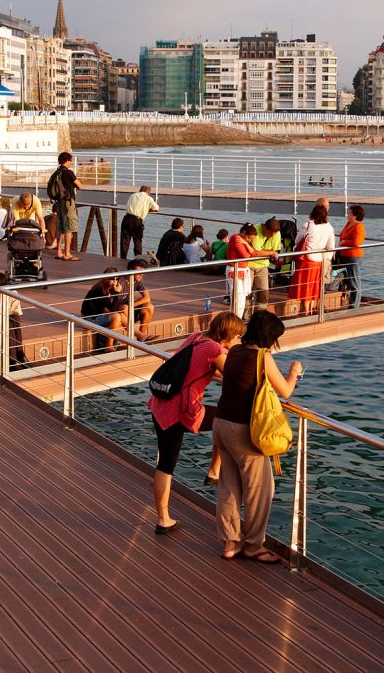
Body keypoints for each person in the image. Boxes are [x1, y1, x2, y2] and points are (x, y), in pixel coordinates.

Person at [213, 310, 304, 563]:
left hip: (221, 423)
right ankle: (253, 546)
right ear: (269, 337)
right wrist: (295, 372)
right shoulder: (262, 357)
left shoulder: (233, 352)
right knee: (260, 489)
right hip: (243, 429)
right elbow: (285, 391)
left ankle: (231, 544)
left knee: (229, 486)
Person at [148, 312, 246, 534]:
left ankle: (163, 518)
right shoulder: (215, 349)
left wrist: (213, 375)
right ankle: (214, 470)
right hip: (180, 411)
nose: (239, 341)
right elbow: (237, 378)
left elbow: (188, 367)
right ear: (228, 335)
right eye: (238, 337)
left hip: (160, 403)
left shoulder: (196, 338)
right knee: (226, 416)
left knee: (165, 464)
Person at [289, 204, 335, 316]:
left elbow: (297, 240)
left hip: (307, 259)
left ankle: (306, 312)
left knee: (306, 287)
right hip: (320, 260)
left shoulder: (308, 225)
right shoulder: (329, 227)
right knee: (315, 287)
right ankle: (311, 310)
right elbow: (331, 246)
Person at [227, 223, 275, 319]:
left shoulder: (243, 241)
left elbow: (253, 252)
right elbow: (247, 256)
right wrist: (248, 247)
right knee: (238, 299)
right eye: (249, 238)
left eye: (251, 240)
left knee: (242, 298)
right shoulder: (235, 238)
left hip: (243, 271)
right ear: (243, 233)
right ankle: (236, 320)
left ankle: (238, 320)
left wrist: (245, 243)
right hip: (235, 271)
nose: (249, 241)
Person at [80, 267, 127, 349]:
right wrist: (117, 293)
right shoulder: (99, 290)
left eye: (117, 279)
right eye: (112, 279)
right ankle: (109, 346)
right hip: (88, 319)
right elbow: (113, 311)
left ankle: (139, 337)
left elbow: (112, 309)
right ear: (106, 279)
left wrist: (116, 293)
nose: (115, 282)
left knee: (121, 315)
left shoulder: (108, 288)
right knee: (116, 316)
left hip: (97, 316)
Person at [47, 151, 80, 260]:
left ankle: (59, 252)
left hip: (59, 202)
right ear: (67, 160)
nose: (71, 162)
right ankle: (67, 254)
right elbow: (80, 185)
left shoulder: (57, 172)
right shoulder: (69, 172)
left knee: (60, 228)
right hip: (68, 202)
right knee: (69, 228)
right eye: (71, 160)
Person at [333, 204, 365, 308]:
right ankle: (346, 299)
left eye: (349, 212)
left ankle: (354, 305)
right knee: (346, 278)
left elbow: (357, 242)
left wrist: (344, 242)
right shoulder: (348, 224)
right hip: (344, 255)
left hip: (353, 256)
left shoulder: (359, 227)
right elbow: (342, 236)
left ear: (355, 215)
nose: (347, 214)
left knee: (354, 280)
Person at [247, 219, 282, 312]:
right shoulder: (255, 231)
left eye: (273, 235)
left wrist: (266, 252)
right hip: (249, 265)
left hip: (263, 265)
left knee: (264, 292)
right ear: (264, 227)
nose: (271, 236)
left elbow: (275, 250)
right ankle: (245, 317)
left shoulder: (277, 234)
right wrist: (270, 252)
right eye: (269, 233)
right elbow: (256, 253)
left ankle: (260, 315)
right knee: (247, 292)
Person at [121, 185, 160, 258]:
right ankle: (138, 259)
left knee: (124, 240)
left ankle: (122, 258)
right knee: (137, 241)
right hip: (137, 221)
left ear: (140, 190)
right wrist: (148, 209)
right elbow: (157, 208)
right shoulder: (148, 198)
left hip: (126, 218)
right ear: (148, 192)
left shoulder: (132, 195)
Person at [127, 258, 155, 341]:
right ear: (130, 271)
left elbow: (147, 298)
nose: (141, 275)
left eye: (142, 272)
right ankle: (141, 336)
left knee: (149, 306)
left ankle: (141, 338)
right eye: (138, 272)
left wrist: (131, 306)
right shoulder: (121, 281)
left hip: (127, 308)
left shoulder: (138, 281)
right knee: (124, 308)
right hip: (120, 311)